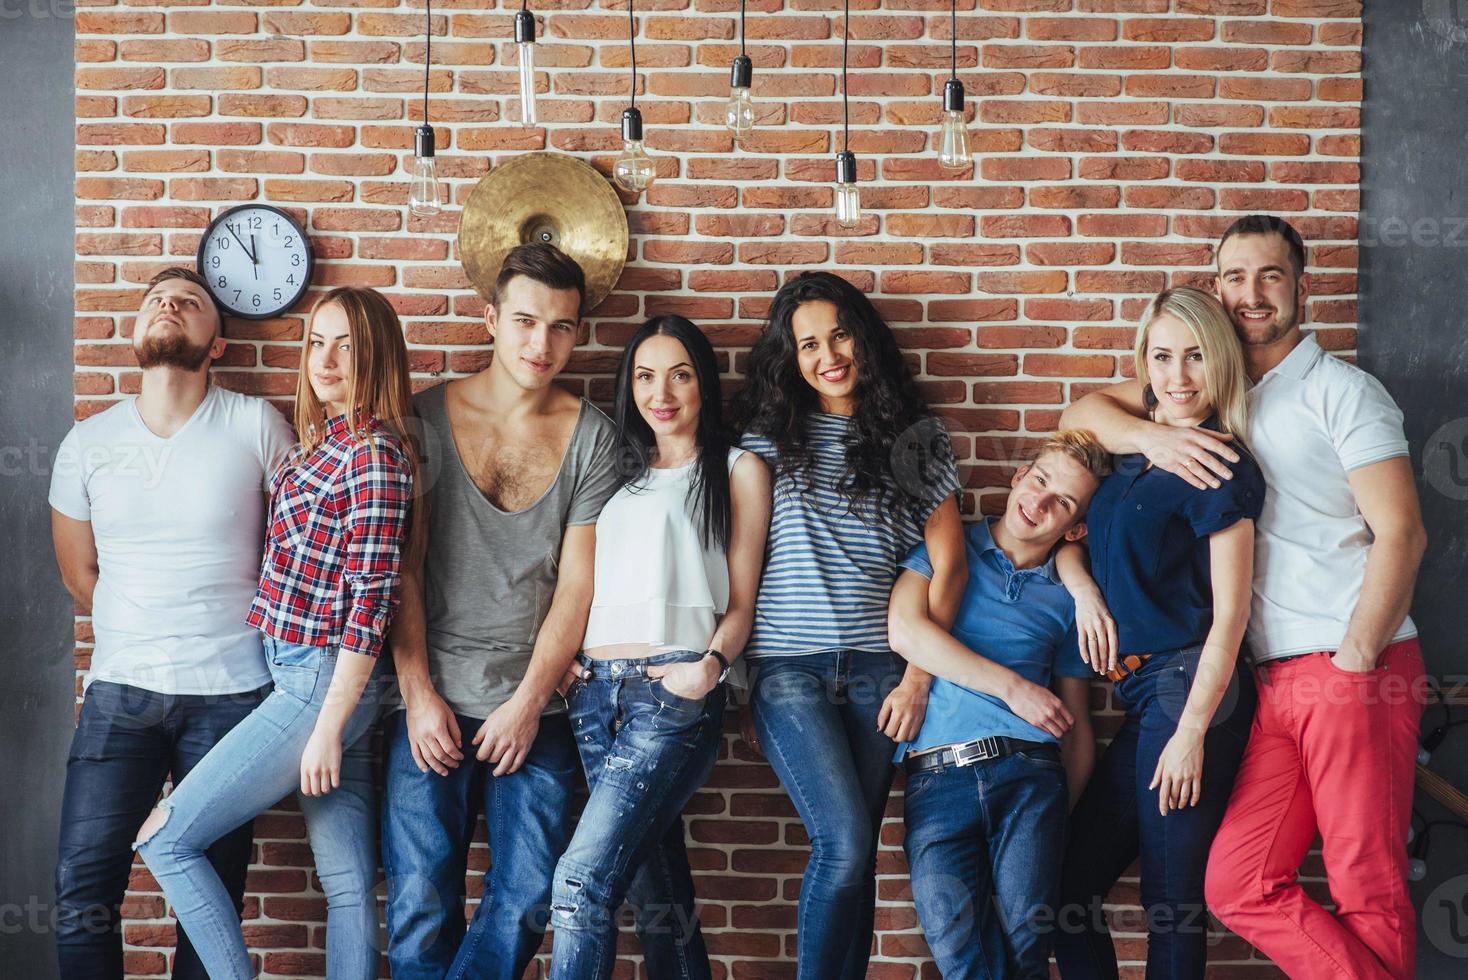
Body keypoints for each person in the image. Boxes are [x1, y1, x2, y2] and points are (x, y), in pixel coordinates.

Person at [1063, 215, 1428, 980]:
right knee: (1237, 882)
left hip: (1347, 662)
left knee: (1366, 880)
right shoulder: (1216, 389)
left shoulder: (1343, 392)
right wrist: (1153, 439)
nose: (1251, 294)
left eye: (1269, 276)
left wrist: (1356, 660)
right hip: (1261, 680)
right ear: (1216, 285)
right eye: (1234, 276)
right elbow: (1083, 415)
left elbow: (1402, 535)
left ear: (1302, 284)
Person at [134, 286, 421, 980]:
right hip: (306, 677)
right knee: (349, 884)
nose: (325, 358)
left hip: (319, 685)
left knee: (167, 841)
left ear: (376, 354)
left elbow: (372, 602)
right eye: (318, 341)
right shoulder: (321, 446)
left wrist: (327, 725)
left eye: (346, 344)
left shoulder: (375, 456)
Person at [380, 243, 622, 980]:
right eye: (524, 321)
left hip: (536, 710)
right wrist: (419, 696)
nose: (540, 344)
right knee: (421, 904)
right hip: (428, 704)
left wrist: (527, 703)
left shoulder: (594, 437)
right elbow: (399, 570)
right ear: (490, 319)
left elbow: (577, 589)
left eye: (561, 327)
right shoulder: (419, 419)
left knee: (524, 898)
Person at [48, 267, 295, 980]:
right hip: (121, 696)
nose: (169, 303)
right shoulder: (87, 443)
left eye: (189, 302)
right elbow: (79, 576)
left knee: (209, 900)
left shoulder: (254, 424)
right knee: (82, 892)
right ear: (135, 334)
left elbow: (298, 547)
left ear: (216, 344)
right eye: (156, 298)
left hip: (232, 699)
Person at [733, 270, 968, 980]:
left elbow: (950, 567)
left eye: (838, 334)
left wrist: (921, 677)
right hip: (787, 670)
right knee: (841, 839)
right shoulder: (767, 440)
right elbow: (740, 564)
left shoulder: (914, 441)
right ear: (790, 358)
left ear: (863, 337)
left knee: (858, 849)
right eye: (807, 344)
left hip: (879, 671)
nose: (827, 354)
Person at [547, 315, 772, 979]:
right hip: (593, 695)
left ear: (704, 382)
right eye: (645, 376)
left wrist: (709, 667)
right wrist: (567, 662)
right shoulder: (612, 471)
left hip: (670, 697)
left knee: (581, 883)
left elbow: (741, 603)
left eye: (680, 374)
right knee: (657, 891)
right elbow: (580, 580)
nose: (662, 392)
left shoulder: (737, 468)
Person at [1051, 287, 1264, 979]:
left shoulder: (1219, 465)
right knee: (1068, 890)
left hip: (1192, 687)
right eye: (1163, 357)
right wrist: (1083, 590)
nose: (1178, 377)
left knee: (1170, 902)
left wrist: (1193, 730)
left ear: (1220, 362)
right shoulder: (1135, 442)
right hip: (1143, 694)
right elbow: (1074, 425)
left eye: (1196, 357)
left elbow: (1231, 613)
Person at [888, 430, 1107, 980]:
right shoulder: (948, 549)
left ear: (1074, 528)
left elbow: (1077, 728)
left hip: (1031, 778)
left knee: (1025, 954)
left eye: (1063, 502)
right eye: (1039, 481)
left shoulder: (1066, 596)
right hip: (937, 780)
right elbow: (905, 631)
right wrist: (1013, 688)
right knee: (963, 957)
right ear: (1017, 477)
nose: (1039, 501)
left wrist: (1061, 810)